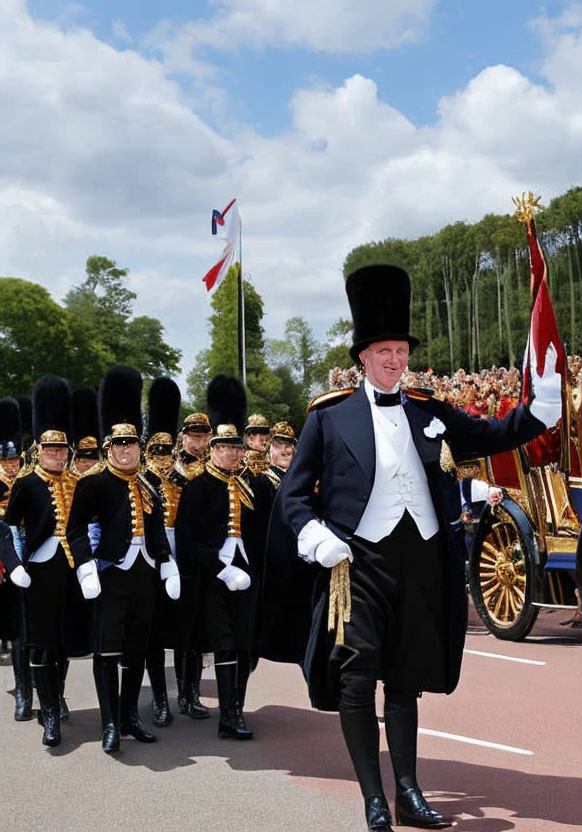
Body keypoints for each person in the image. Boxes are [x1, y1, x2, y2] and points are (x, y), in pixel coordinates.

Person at [272, 264, 561, 832]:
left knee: (405, 680)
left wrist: (542, 406)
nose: (395, 360)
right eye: (384, 351)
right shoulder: (328, 419)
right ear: (364, 356)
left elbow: (494, 435)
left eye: (401, 350)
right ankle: (373, 798)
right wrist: (315, 536)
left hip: (423, 560)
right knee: (358, 678)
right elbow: (292, 495)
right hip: (359, 564)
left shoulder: (429, 411)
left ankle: (408, 792)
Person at [66, 366, 179, 753]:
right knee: (108, 649)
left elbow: (158, 527)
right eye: (120, 444)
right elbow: (74, 529)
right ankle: (109, 721)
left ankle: (131, 715)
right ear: (109, 448)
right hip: (111, 574)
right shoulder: (93, 482)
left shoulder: (149, 482)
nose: (127, 449)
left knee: (136, 649)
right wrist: (85, 566)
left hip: (145, 574)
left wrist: (167, 562)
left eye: (132, 443)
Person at [175, 375, 268, 741]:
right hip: (212, 577)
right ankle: (227, 715)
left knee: (245, 644)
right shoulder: (198, 487)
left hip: (248, 573)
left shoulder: (253, 485)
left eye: (237, 447)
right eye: (225, 447)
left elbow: (263, 534)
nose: (233, 452)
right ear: (212, 448)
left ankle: (237, 707)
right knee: (225, 642)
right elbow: (188, 540)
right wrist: (219, 567)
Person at [0, 377, 77, 747]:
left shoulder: (77, 482)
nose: (57, 454)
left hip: (73, 570)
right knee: (41, 643)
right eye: (51, 448)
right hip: (39, 570)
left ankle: (58, 694)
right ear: (39, 449)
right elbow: (7, 528)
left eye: (62, 448)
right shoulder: (27, 484)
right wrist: (15, 564)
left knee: (64, 642)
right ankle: (47, 713)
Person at [141, 376, 183, 728]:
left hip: (176, 555)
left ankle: (174, 694)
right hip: (144, 558)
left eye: (166, 451)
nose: (162, 457)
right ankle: (153, 699)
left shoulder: (182, 477)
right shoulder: (138, 479)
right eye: (156, 451)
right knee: (147, 633)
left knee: (175, 629)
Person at [171, 410, 213, 720]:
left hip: (203, 550)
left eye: (203, 436)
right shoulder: (168, 467)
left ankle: (192, 692)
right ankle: (170, 694)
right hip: (173, 549)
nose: (198, 442)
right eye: (193, 436)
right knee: (178, 627)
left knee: (198, 627)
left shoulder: (213, 468)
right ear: (183, 436)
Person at [0, 396, 31, 722]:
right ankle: (22, 689)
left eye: (13, 460)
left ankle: (33, 689)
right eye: (5, 461)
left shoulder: (28, 481)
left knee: (29, 628)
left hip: (28, 556)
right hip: (2, 560)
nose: (10, 465)